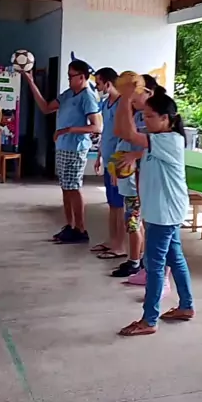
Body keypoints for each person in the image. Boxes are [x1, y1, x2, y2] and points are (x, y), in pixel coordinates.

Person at [114, 83, 194, 336]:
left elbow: (128, 134)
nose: (145, 121)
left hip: (164, 212)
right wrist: (134, 157)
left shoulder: (169, 139)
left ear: (166, 119)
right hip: (162, 210)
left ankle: (149, 320)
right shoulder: (157, 140)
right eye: (144, 116)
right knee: (174, 258)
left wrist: (125, 98)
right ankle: (186, 306)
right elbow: (124, 133)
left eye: (149, 117)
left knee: (154, 265)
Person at [22, 59, 101, 243]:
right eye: (68, 75)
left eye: (72, 76)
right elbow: (45, 107)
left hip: (76, 148)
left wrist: (68, 130)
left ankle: (81, 229)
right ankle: (70, 225)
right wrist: (31, 82)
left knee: (74, 187)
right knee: (66, 187)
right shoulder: (68, 94)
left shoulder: (87, 97)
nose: (69, 79)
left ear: (82, 77)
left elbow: (97, 127)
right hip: (63, 147)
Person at [91, 67, 127, 260]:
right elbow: (106, 132)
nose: (96, 87)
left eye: (98, 83)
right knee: (112, 204)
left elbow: (122, 136)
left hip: (117, 162)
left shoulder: (123, 104)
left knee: (119, 205)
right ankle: (111, 240)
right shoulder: (106, 104)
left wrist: (117, 163)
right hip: (107, 159)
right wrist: (99, 155)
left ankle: (120, 245)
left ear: (108, 83)